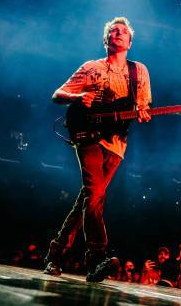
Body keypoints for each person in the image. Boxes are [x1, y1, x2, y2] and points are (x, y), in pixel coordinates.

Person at [43, 16, 152, 282]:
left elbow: (143, 106)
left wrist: (143, 113)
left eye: (122, 32)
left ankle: (55, 254)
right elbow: (57, 94)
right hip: (88, 136)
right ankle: (97, 257)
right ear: (106, 40)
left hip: (116, 144)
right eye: (113, 31)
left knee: (88, 198)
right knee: (95, 194)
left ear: (129, 41)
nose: (117, 33)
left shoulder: (140, 72)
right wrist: (77, 96)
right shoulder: (90, 68)